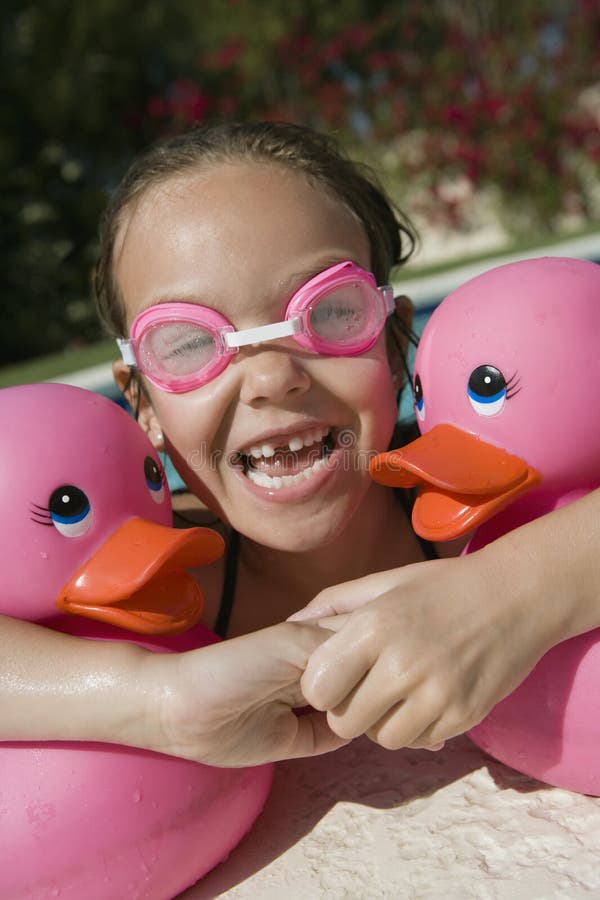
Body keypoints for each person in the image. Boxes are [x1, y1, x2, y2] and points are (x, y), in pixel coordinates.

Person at [2, 121, 599, 765]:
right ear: (142, 400)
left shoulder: (500, 519)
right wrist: (158, 700)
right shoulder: (158, 593)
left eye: (329, 312)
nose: (270, 378)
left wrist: (509, 593)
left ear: (395, 347)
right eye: (188, 342)